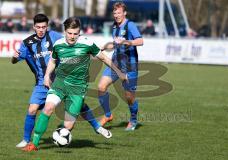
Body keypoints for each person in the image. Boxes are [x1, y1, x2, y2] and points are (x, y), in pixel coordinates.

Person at [22, 17, 127, 151]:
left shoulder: (87, 43)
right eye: (69, 33)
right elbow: (53, 61)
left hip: (77, 88)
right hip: (60, 83)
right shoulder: (58, 44)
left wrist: (119, 73)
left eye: (75, 34)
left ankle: (94, 126)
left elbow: (104, 58)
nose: (72, 37)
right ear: (65, 31)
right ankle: (34, 144)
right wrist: (47, 75)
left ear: (79, 32)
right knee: (47, 108)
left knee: (68, 126)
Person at [12, 14, 103, 149]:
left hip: (63, 79)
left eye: (44, 27)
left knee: (79, 103)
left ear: (47, 26)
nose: (41, 30)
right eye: (38, 27)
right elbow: (15, 60)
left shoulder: (55, 36)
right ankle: (26, 140)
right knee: (32, 110)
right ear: (33, 27)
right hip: (42, 82)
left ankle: (96, 126)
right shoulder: (27, 43)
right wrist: (14, 57)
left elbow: (71, 45)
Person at [98, 2, 143, 131]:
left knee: (129, 97)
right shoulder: (114, 26)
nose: (116, 15)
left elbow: (140, 41)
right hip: (115, 63)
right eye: (115, 13)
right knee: (101, 87)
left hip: (130, 66)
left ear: (124, 13)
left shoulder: (130, 25)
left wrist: (127, 42)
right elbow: (115, 44)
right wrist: (104, 47)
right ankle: (108, 115)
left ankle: (133, 119)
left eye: (119, 13)